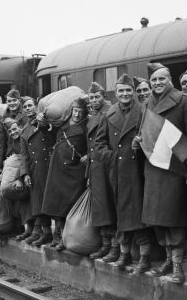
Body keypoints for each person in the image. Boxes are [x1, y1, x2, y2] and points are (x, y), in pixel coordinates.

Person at [140, 63, 187, 282]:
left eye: (162, 79)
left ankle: (178, 264)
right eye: (154, 80)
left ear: (170, 79)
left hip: (175, 168)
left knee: (175, 219)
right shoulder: (146, 104)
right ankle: (169, 260)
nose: (158, 83)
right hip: (154, 166)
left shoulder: (183, 100)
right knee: (158, 219)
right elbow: (142, 131)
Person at [96, 75, 149, 271]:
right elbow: (99, 143)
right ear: (116, 93)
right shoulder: (109, 114)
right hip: (117, 171)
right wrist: (110, 157)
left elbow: (151, 137)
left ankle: (144, 256)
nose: (125, 94)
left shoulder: (143, 111)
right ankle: (125, 253)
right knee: (121, 211)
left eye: (128, 90)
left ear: (134, 92)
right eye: (121, 91)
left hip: (138, 170)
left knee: (139, 212)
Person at [41, 97, 89, 250]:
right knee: (56, 203)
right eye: (75, 111)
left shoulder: (86, 127)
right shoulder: (61, 125)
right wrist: (42, 123)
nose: (77, 115)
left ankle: (65, 238)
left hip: (74, 171)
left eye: (80, 112)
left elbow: (91, 145)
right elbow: (48, 135)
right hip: (57, 168)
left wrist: (88, 155)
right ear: (71, 111)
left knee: (69, 204)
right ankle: (57, 235)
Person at [84, 82, 117, 260]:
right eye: (91, 98)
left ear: (104, 95)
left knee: (110, 205)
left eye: (97, 96)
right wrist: (88, 172)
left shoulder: (109, 112)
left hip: (107, 165)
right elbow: (90, 147)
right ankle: (105, 244)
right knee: (101, 206)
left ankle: (114, 246)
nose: (94, 100)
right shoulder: (93, 115)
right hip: (96, 167)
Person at [20, 101, 58, 246]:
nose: (28, 108)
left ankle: (58, 234)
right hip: (35, 169)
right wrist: (25, 173)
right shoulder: (24, 131)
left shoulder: (46, 122)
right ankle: (46, 232)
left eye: (30, 105)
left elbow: (54, 137)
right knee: (38, 202)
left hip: (50, 166)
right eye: (25, 107)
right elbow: (24, 155)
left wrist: (45, 126)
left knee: (53, 201)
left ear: (36, 107)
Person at [0, 89, 27, 177]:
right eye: (9, 101)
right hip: (11, 156)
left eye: (14, 100)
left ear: (19, 101)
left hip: (26, 156)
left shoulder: (26, 113)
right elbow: (0, 143)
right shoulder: (3, 119)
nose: (12, 103)